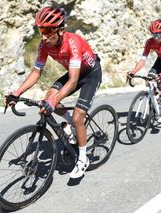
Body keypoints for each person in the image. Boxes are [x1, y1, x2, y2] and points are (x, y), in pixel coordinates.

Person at [6, 4, 102, 179]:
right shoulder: (44, 46)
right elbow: (36, 72)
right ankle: (69, 124)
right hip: (75, 73)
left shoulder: (72, 43)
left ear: (61, 30)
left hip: (91, 74)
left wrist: (54, 102)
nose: (44, 36)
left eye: (48, 31)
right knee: (48, 98)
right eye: (41, 30)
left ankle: (83, 158)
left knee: (78, 116)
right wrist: (17, 92)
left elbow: (73, 81)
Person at [127, 19, 161, 123]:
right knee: (149, 80)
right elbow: (142, 60)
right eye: (153, 35)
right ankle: (158, 98)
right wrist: (133, 72)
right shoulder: (149, 42)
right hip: (160, 61)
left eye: (158, 35)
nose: (155, 38)